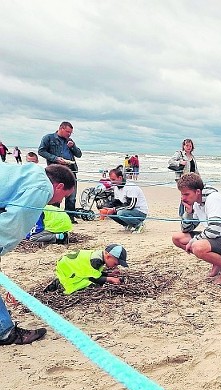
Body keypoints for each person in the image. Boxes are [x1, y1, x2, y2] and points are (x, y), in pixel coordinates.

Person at [0, 163, 76, 345]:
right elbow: (12, 225)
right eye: (63, 196)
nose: (58, 201)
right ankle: (5, 332)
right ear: (58, 186)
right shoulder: (42, 187)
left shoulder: (30, 172)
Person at [172, 173, 221, 284]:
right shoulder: (197, 203)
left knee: (197, 246)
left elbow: (213, 231)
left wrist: (194, 240)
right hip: (217, 239)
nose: (183, 198)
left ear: (197, 192)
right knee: (177, 238)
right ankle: (217, 262)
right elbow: (186, 229)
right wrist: (188, 212)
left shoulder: (213, 199)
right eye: (182, 195)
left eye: (186, 194)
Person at [38, 121, 83, 221]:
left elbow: (79, 154)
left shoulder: (69, 140)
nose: (69, 134)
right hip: (56, 171)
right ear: (61, 128)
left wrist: (73, 147)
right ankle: (55, 218)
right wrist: (55, 158)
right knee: (56, 195)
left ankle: (69, 218)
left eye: (71, 132)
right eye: (68, 132)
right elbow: (41, 151)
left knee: (71, 195)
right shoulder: (48, 138)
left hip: (70, 170)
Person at [47, 244, 129, 295]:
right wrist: (110, 279)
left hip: (68, 265)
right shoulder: (96, 261)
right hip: (68, 269)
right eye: (115, 264)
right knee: (91, 286)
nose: (115, 266)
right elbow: (94, 278)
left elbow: (93, 272)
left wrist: (108, 274)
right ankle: (60, 284)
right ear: (108, 256)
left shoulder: (98, 256)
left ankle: (60, 281)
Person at [100, 168, 148, 232]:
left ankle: (139, 225)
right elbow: (117, 202)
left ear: (120, 178)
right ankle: (128, 224)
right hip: (128, 210)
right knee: (109, 212)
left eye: (113, 179)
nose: (111, 182)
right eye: (110, 179)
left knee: (120, 213)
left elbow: (131, 205)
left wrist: (114, 209)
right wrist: (106, 208)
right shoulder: (116, 188)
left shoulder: (130, 187)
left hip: (140, 212)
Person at [169, 139, 199, 215]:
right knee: (185, 196)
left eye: (190, 146)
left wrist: (200, 180)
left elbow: (195, 170)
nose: (188, 147)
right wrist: (180, 162)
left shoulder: (193, 157)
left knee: (190, 196)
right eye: (187, 145)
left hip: (192, 180)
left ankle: (187, 213)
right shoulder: (180, 153)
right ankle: (182, 214)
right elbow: (170, 161)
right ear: (183, 146)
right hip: (182, 179)